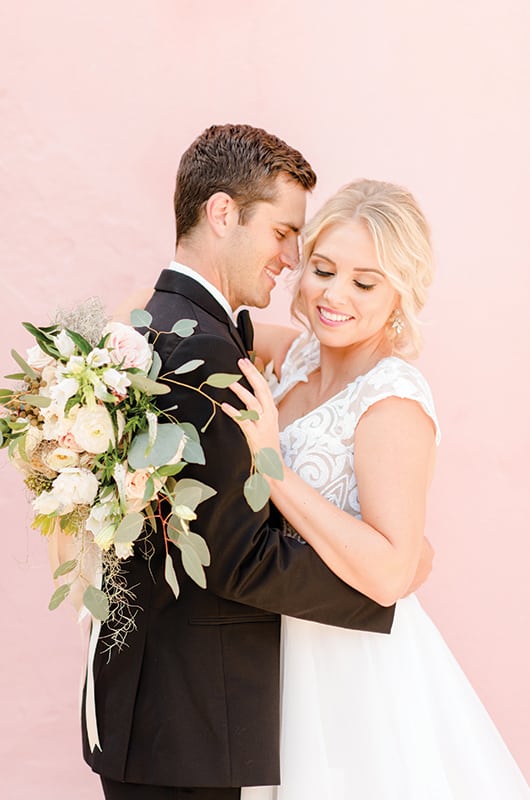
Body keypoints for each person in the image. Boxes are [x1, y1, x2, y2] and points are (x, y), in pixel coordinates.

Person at [85, 126, 433, 800]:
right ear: (223, 213)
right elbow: (233, 555)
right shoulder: (230, 353)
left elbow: (159, 323)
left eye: (366, 281)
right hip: (202, 711)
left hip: (276, 684)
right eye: (293, 242)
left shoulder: (192, 333)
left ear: (399, 295)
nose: (295, 261)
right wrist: (393, 578)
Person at [223, 179, 530, 798]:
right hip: (270, 643)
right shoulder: (300, 356)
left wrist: (270, 463)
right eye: (323, 269)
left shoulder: (392, 399)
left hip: (348, 667)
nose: (333, 295)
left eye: (364, 283)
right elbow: (181, 321)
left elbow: (392, 572)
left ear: (399, 295)